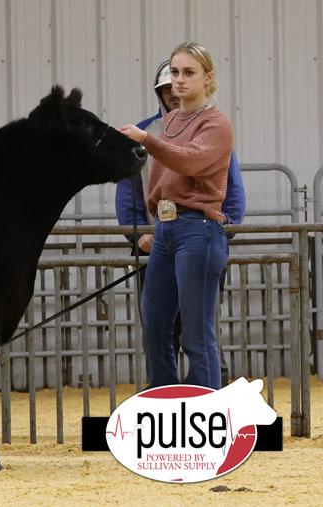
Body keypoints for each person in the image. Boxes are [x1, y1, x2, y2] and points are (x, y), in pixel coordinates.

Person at [116, 59, 246, 387]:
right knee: (157, 329)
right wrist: (139, 234)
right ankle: (166, 402)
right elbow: (135, 188)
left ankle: (204, 403)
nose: (177, 85)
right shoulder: (161, 125)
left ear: (207, 79)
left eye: (188, 74)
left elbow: (198, 166)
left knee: (196, 332)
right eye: (173, 76)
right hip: (164, 232)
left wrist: (222, 225)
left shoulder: (213, 124)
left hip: (199, 229)